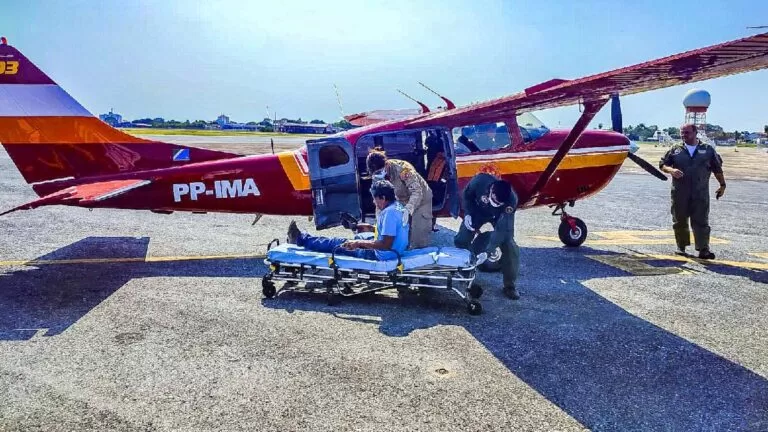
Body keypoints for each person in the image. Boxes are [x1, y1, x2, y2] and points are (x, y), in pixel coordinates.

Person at [286, 180, 409, 260]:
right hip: (394, 251)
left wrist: (358, 244)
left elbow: (385, 244)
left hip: (381, 255)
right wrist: (369, 227)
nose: (373, 202)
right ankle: (302, 238)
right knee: (357, 237)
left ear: (382, 197)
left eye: (375, 198)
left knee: (336, 243)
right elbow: (392, 232)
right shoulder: (399, 207)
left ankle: (300, 239)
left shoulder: (389, 213)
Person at [659, 123, 726, 259]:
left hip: (700, 192)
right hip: (679, 192)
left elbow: (717, 168)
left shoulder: (707, 150)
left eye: (687, 132)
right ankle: (681, 247)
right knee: (679, 219)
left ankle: (703, 249)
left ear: (695, 133)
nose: (684, 135)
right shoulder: (675, 149)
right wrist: (671, 170)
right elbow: (662, 164)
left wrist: (722, 185)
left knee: (701, 220)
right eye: (682, 133)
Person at [454, 173, 520, 299]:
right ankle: (466, 272)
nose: (495, 203)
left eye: (499, 203)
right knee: (461, 240)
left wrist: (487, 252)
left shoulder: (512, 200)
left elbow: (502, 230)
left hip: (498, 218)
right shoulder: (480, 181)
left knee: (509, 245)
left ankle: (510, 285)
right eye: (494, 200)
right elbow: (467, 195)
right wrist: (467, 213)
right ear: (491, 190)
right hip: (478, 212)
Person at [366, 149, 433, 249]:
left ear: (386, 165)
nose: (379, 175)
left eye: (380, 171)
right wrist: (380, 220)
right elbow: (379, 199)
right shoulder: (376, 176)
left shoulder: (403, 169)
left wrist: (408, 209)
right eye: (376, 173)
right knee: (399, 234)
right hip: (400, 200)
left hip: (420, 199)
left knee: (418, 236)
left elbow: (417, 192)